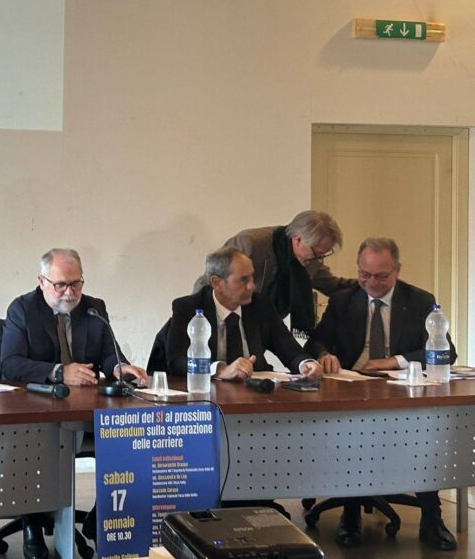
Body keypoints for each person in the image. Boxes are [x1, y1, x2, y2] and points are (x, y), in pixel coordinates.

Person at [304, 237, 457, 550]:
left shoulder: (419, 300)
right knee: (349, 435)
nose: (371, 283)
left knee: (425, 435)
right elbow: (315, 341)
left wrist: (394, 360)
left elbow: (446, 352)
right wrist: (323, 355)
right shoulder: (343, 300)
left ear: (397, 271)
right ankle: (350, 515)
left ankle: (432, 518)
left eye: (381, 276)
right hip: (352, 387)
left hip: (400, 390)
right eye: (364, 274)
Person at [0, 248, 148, 559]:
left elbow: (109, 354)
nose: (70, 292)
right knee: (32, 444)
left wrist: (120, 368)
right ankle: (32, 524)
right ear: (42, 281)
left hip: (83, 409)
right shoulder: (22, 309)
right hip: (37, 409)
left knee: (128, 432)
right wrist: (59, 372)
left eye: (76, 283)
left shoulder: (94, 308)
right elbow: (10, 364)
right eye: (60, 285)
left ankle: (100, 516)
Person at [170, 247, 323, 381]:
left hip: (256, 393)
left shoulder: (261, 305)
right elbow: (176, 361)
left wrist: (306, 364)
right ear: (217, 283)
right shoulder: (189, 308)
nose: (251, 286)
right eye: (243, 279)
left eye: (252, 277)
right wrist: (220, 370)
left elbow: (289, 348)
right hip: (207, 395)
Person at [193, 210, 353, 334]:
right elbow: (208, 283)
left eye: (324, 254)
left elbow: (335, 286)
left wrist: (366, 282)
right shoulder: (250, 243)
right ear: (297, 239)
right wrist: (201, 324)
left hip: (263, 330)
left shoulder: (310, 261)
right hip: (225, 325)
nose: (319, 259)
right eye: (316, 252)